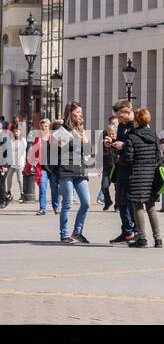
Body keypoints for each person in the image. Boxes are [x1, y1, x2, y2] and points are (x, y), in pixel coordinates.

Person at [121, 107, 162, 248]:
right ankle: (158, 239)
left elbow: (128, 158)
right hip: (151, 176)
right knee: (151, 208)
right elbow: (159, 157)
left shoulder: (132, 137)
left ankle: (142, 238)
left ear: (137, 121)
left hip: (137, 175)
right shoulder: (153, 135)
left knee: (137, 206)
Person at [54, 103, 93, 245]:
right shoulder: (62, 128)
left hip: (80, 169)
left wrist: (84, 138)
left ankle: (77, 232)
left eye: (81, 112)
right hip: (66, 169)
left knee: (86, 203)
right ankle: (64, 234)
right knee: (68, 203)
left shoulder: (80, 129)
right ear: (70, 112)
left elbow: (88, 151)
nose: (80, 114)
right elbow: (57, 147)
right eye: (77, 112)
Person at [105, 100, 137, 244]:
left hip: (133, 168)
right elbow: (120, 143)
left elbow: (140, 143)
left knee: (131, 201)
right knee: (120, 200)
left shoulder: (136, 125)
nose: (118, 118)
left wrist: (123, 145)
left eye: (120, 115)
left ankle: (134, 231)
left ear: (127, 110)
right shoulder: (122, 126)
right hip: (121, 166)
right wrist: (112, 142)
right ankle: (126, 231)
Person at [97, 119, 117, 210]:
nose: (111, 136)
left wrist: (113, 145)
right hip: (107, 167)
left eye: (113, 134)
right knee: (104, 186)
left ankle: (118, 205)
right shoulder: (104, 142)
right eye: (110, 134)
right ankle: (108, 201)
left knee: (118, 188)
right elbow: (100, 155)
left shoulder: (117, 142)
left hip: (117, 167)